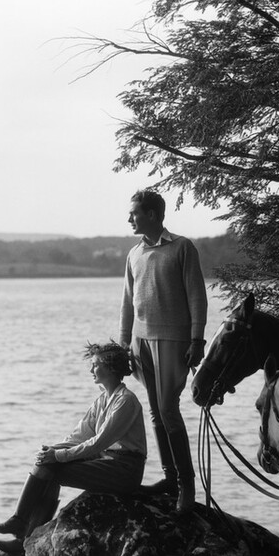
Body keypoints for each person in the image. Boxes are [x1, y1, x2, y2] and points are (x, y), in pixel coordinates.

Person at [0, 341, 147, 555]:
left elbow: (98, 443)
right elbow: (79, 436)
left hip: (124, 469)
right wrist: (52, 451)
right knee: (48, 464)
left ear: (110, 367)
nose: (91, 370)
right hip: (106, 461)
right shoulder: (102, 400)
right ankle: (20, 529)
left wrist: (59, 456)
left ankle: (21, 530)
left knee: (54, 470)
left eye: (95, 365)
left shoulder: (126, 401)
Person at [119, 188, 208, 514]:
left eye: (134, 213)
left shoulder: (181, 247)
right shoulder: (134, 254)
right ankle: (170, 479)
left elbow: (197, 297)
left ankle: (186, 485)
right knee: (156, 413)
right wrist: (123, 343)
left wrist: (196, 340)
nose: (130, 218)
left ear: (152, 215)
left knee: (169, 410)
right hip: (140, 342)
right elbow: (127, 302)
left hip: (172, 341)